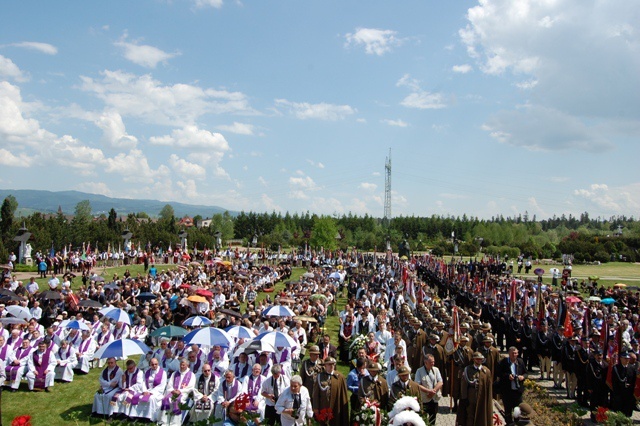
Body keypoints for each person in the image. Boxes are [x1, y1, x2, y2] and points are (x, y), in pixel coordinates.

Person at [458, 352, 493, 426]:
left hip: (482, 397)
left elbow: (489, 386)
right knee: (470, 415)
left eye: (480, 359)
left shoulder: (486, 371)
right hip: (471, 396)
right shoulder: (467, 369)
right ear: (473, 359)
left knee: (481, 415)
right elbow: (464, 385)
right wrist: (464, 398)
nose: (479, 361)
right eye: (477, 359)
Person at [311, 357, 349, 426]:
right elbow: (316, 393)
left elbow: (343, 394)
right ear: (325, 365)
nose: (331, 366)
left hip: (336, 406)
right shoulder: (320, 376)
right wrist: (316, 407)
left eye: (333, 364)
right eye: (329, 364)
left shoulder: (339, 377)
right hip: (323, 406)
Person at [159, 357, 196, 426]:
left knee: (176, 401)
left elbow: (191, 387)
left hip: (183, 393)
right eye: (181, 365)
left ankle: (175, 423)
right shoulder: (175, 373)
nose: (181, 366)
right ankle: (164, 421)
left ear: (187, 365)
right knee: (166, 399)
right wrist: (173, 390)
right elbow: (169, 384)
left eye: (183, 365)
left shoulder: (191, 375)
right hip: (172, 392)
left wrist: (180, 391)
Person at [129, 357, 167, 423]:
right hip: (146, 391)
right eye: (152, 364)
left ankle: (149, 418)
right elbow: (143, 382)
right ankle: (137, 416)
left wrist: (150, 392)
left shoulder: (163, 373)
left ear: (158, 364)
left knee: (151, 398)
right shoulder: (147, 372)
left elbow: (162, 386)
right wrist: (144, 391)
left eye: (156, 364)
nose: (154, 366)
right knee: (137, 397)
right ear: (150, 364)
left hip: (156, 392)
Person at [496, 347, 527, 425]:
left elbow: (525, 373)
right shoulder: (503, 362)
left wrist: (523, 377)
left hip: (517, 391)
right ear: (509, 353)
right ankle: (509, 423)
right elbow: (498, 373)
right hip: (507, 391)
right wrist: (507, 376)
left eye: (515, 353)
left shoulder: (520, 361)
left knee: (517, 409)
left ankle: (516, 422)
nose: (514, 355)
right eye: (512, 353)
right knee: (508, 409)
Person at [414, 354, 443, 424]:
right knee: (422, 420)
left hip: (434, 399)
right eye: (431, 362)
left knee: (433, 419)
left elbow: (440, 382)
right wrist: (428, 391)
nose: (432, 364)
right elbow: (417, 385)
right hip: (424, 399)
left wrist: (434, 391)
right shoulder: (419, 371)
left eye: (433, 362)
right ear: (425, 362)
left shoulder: (436, 370)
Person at [611, 351, 637, 417]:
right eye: (625, 358)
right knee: (619, 411)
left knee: (627, 412)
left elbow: (634, 381)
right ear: (621, 358)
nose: (627, 360)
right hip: (619, 393)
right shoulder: (616, 368)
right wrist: (616, 393)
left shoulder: (632, 368)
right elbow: (614, 382)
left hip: (628, 393)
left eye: (628, 359)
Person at [586, 348, 608, 423]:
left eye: (600, 355)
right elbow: (588, 376)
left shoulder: (605, 364)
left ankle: (601, 417)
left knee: (602, 403)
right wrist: (589, 387)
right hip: (594, 387)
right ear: (595, 356)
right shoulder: (591, 364)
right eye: (597, 355)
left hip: (602, 388)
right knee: (594, 402)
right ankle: (593, 417)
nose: (599, 357)